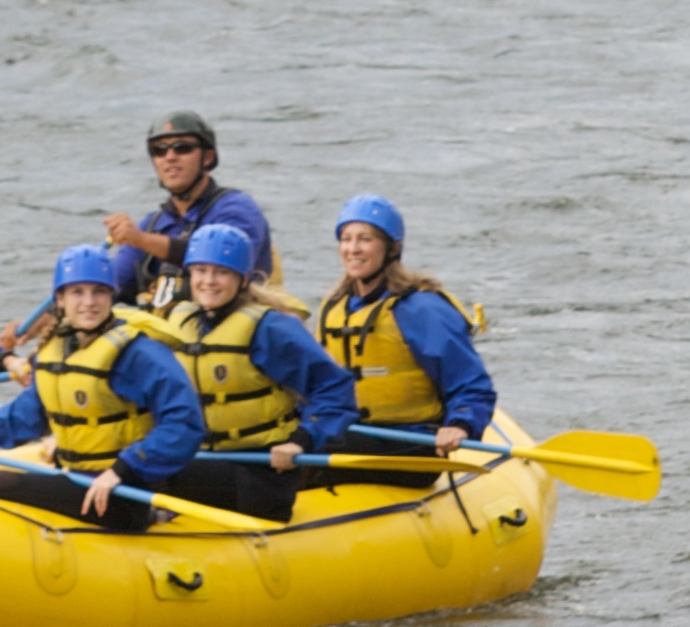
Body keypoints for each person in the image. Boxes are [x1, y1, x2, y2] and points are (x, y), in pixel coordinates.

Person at [0, 245, 204, 528]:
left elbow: (184, 423)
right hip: (76, 478)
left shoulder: (140, 353)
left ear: (111, 296)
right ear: (60, 299)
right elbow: (26, 414)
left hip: (126, 490)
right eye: (77, 292)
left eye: (98, 291)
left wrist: (124, 469)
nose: (89, 302)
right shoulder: (58, 347)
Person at [147, 214, 358, 517]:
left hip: (260, 468)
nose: (208, 281)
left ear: (242, 279)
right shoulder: (179, 320)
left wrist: (301, 442)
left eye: (221, 272)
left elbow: (335, 387)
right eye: (201, 271)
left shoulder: (271, 328)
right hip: (200, 459)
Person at [317, 197, 496, 464]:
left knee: (322, 444)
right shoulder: (335, 307)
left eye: (365, 239)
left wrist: (460, 424)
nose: (352, 249)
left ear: (391, 248)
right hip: (352, 434)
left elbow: (471, 382)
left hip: (412, 443)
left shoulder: (420, 308)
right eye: (346, 239)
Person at [104, 110, 274, 301]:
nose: (170, 157)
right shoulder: (152, 225)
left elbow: (222, 258)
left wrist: (143, 240)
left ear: (208, 157)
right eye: (159, 150)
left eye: (182, 148)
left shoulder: (237, 209)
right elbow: (111, 284)